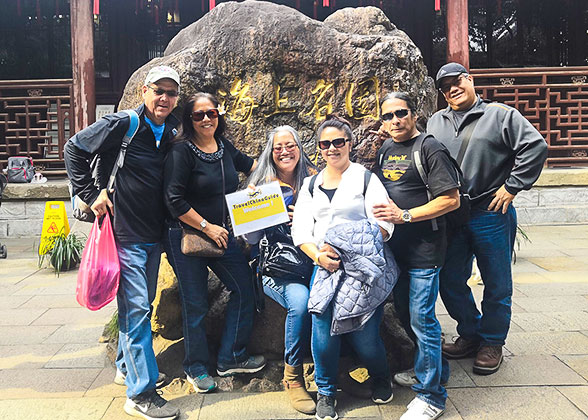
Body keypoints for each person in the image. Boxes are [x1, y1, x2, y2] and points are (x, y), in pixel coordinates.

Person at [65, 65, 182, 420]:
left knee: (139, 304)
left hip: (152, 235)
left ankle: (125, 367)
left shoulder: (170, 129)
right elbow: (74, 148)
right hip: (125, 233)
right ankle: (141, 395)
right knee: (137, 312)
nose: (164, 98)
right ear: (144, 91)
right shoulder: (124, 123)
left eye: (170, 93)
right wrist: (90, 192)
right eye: (158, 91)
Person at [427, 62, 547, 375]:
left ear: (470, 79)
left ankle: (492, 341)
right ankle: (470, 332)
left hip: (490, 210)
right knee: (449, 278)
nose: (452, 89)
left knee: (496, 282)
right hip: (452, 213)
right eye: (445, 86)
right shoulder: (436, 122)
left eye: (457, 81)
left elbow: (535, 146)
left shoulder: (500, 115)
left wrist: (512, 186)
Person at [292, 115, 396, 420]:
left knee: (365, 335)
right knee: (322, 331)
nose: (332, 148)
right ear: (319, 149)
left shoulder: (366, 179)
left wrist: (347, 245)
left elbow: (383, 225)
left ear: (349, 144)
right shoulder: (311, 185)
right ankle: (326, 391)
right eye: (326, 144)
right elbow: (301, 231)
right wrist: (319, 257)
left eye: (339, 142)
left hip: (363, 269)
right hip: (324, 267)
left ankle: (380, 376)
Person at [162, 92, 264, 395]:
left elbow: (254, 165)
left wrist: (263, 182)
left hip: (222, 237)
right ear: (189, 120)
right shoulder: (181, 151)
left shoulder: (224, 148)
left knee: (245, 289)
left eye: (212, 113)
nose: (207, 119)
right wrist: (207, 226)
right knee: (195, 303)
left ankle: (231, 356)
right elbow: (173, 199)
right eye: (199, 115)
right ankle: (195, 367)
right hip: (187, 236)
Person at [372, 92, 460, 420]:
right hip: (398, 250)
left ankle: (431, 396)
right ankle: (436, 370)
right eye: (388, 116)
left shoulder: (429, 148)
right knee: (410, 317)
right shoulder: (385, 150)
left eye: (401, 113)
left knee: (422, 318)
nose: (395, 120)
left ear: (413, 114)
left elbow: (449, 199)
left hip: (426, 247)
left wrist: (405, 216)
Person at [245, 125, 316, 415]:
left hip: (315, 261)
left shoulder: (315, 181)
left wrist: (302, 218)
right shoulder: (260, 187)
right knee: (300, 305)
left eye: (291, 145)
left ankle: (334, 372)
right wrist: (255, 212)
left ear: (300, 148)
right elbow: (250, 241)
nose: (285, 151)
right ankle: (293, 377)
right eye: (278, 147)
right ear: (270, 153)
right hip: (279, 267)